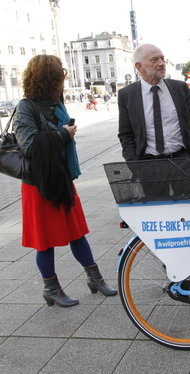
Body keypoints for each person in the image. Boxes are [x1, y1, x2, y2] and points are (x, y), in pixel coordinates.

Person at [12, 55, 117, 308]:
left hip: (60, 177)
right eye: (59, 78)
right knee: (45, 240)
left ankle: (95, 278)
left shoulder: (56, 103)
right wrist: (62, 134)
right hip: (39, 184)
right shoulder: (26, 106)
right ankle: (51, 289)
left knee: (76, 231)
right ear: (48, 79)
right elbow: (29, 144)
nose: (62, 83)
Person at [117, 43, 190, 280]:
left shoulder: (179, 89)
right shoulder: (127, 95)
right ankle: (174, 270)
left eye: (162, 58)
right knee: (161, 224)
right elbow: (125, 134)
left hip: (182, 162)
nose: (161, 64)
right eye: (154, 60)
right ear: (138, 66)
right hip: (149, 167)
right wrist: (134, 164)